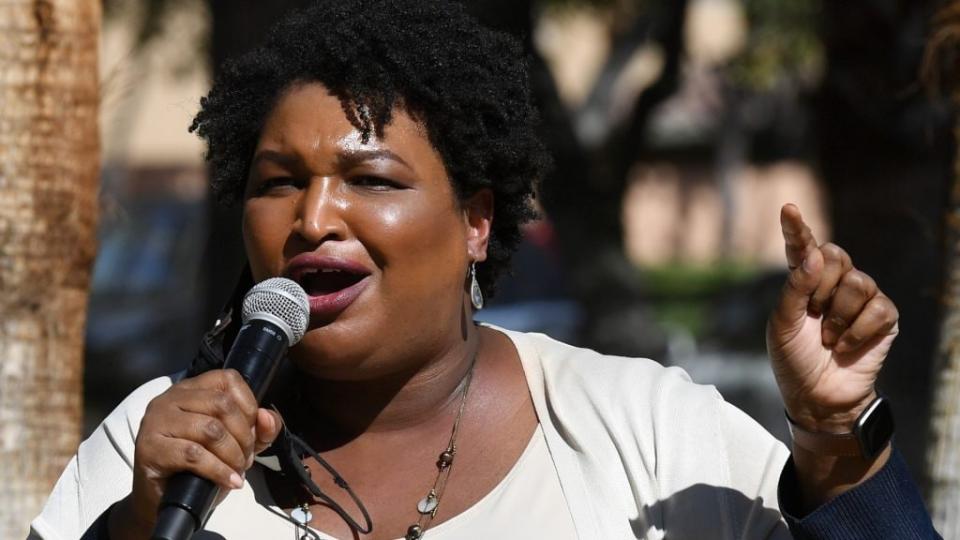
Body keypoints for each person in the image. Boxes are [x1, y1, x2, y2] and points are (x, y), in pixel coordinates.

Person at [30, 1, 938, 539]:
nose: (313, 219)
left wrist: (831, 437)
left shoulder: (644, 434)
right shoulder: (156, 453)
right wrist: (138, 524)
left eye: (370, 180)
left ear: (476, 222)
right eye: (277, 184)